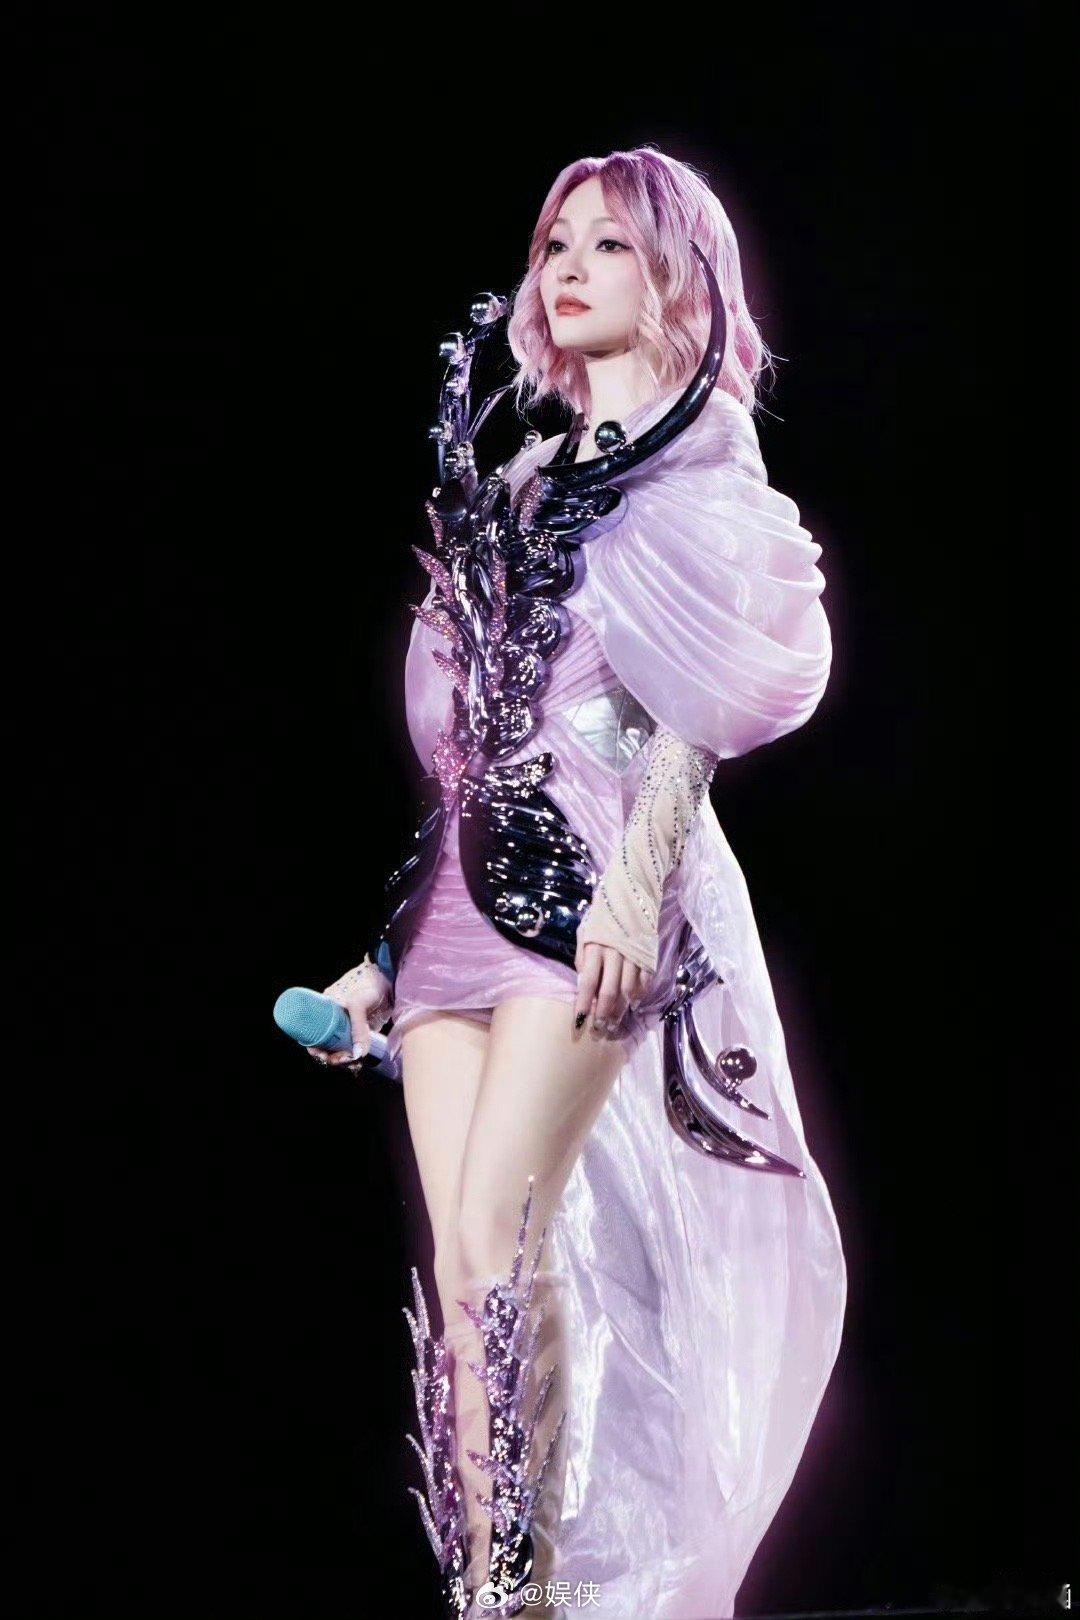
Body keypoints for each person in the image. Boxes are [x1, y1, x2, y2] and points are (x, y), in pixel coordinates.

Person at [305, 146, 847, 1620]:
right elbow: (471, 743)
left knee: (502, 1236)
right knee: (462, 1271)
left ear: (676, 271)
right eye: (556, 243)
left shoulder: (702, 472)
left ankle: (522, 1595)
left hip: (587, 897)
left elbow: (695, 713)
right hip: (453, 913)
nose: (568, 268)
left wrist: (634, 886)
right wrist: (383, 953)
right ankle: (497, 1594)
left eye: (608, 243)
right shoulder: (520, 482)